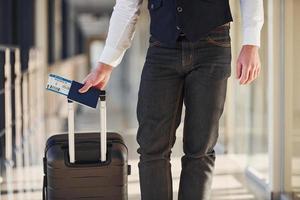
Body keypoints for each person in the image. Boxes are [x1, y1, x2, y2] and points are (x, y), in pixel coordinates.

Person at [79, 0, 264, 199]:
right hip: (162, 49)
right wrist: (105, 64)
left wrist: (251, 42)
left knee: (201, 147)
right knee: (151, 146)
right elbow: (127, 6)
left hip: (213, 45)